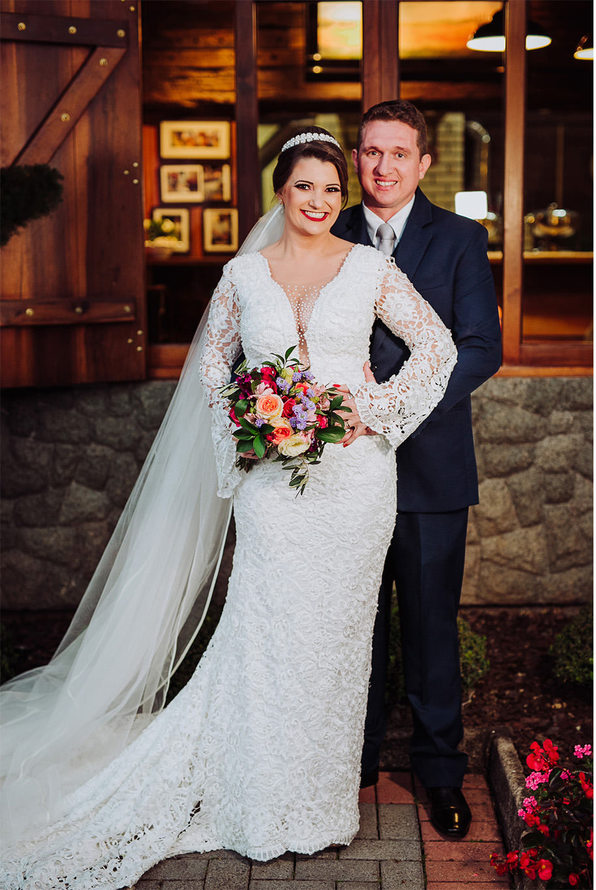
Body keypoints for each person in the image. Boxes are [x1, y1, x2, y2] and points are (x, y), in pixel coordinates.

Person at [0, 126, 457, 888]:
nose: (320, 200)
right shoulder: (245, 275)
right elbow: (213, 370)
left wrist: (374, 408)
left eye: (332, 190)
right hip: (273, 486)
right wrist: (248, 434)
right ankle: (256, 798)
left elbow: (437, 347)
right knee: (268, 633)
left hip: (355, 485)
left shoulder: (371, 268)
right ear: (282, 191)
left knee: (340, 642)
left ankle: (318, 807)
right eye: (306, 185)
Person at [330, 100, 502, 838]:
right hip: (338, 467)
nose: (384, 167)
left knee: (431, 628)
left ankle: (439, 772)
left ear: (424, 162)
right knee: (350, 624)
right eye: (371, 152)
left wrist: (394, 407)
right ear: (354, 157)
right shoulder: (324, 231)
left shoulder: (461, 239)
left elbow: (480, 347)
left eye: (399, 153)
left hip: (431, 469)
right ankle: (353, 764)